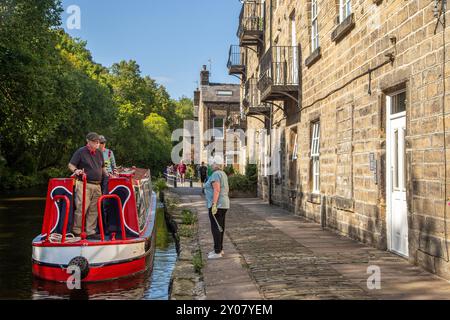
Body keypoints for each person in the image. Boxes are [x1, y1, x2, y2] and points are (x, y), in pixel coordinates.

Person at [68, 132, 108, 240]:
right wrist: (76, 171)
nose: (97, 144)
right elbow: (71, 164)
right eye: (95, 142)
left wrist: (109, 175)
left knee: (94, 209)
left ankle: (90, 231)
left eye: (98, 142)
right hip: (83, 184)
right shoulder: (81, 152)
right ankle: (77, 231)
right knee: (81, 208)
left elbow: (102, 167)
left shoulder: (99, 152)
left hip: (97, 185)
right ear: (88, 141)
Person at [204, 157, 230, 259]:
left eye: (212, 163)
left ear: (215, 164)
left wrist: (214, 204)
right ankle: (219, 249)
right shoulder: (223, 174)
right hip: (224, 204)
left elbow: (217, 189)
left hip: (217, 205)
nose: (211, 165)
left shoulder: (215, 174)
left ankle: (217, 251)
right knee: (220, 227)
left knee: (215, 227)